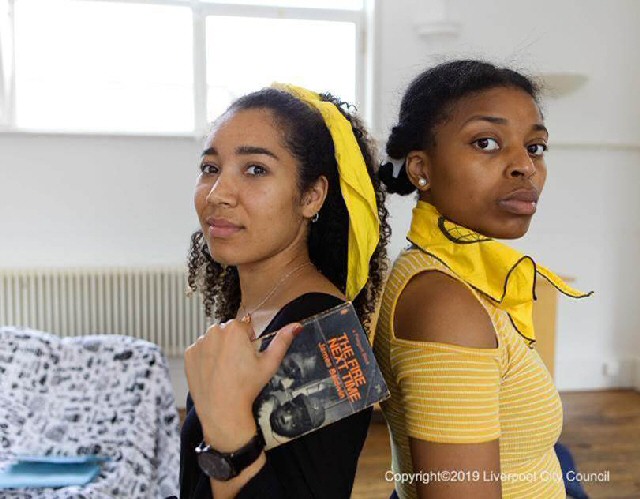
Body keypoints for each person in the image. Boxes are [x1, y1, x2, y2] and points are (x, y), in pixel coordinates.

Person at [373, 60, 591, 499]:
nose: (525, 166)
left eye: (536, 147)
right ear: (421, 168)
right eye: (486, 142)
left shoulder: (459, 273)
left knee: (563, 458)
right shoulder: (445, 306)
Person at [180, 84, 390, 498]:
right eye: (210, 168)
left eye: (255, 169)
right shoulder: (255, 306)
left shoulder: (323, 337)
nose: (218, 193)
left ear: (311, 196)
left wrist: (230, 436)